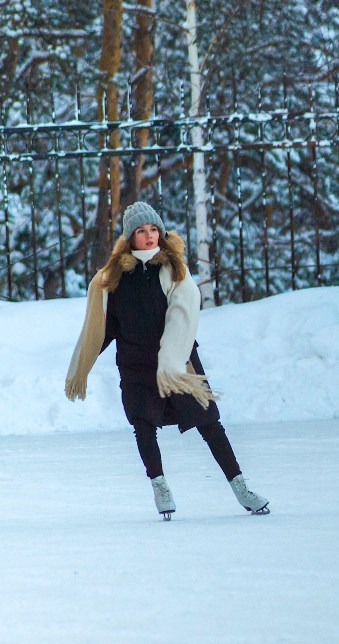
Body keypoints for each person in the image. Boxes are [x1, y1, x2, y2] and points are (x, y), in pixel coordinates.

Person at [65, 201, 269, 520]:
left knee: (209, 424)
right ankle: (160, 486)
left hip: (178, 363)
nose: (149, 236)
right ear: (130, 237)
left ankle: (241, 486)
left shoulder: (174, 270)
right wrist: (83, 365)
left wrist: (171, 358)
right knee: (143, 424)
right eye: (141, 231)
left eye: (153, 230)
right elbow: (105, 326)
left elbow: (183, 314)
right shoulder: (113, 278)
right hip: (135, 364)